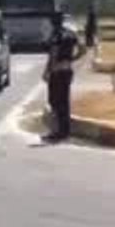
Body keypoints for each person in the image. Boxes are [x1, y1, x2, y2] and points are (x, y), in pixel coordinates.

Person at [42, 12, 87, 144]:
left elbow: (53, 54)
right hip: (67, 70)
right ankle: (65, 131)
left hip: (57, 71)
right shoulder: (71, 34)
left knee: (54, 101)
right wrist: (72, 59)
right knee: (64, 102)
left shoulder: (56, 35)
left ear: (53, 22)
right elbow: (83, 49)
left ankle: (56, 132)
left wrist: (47, 71)